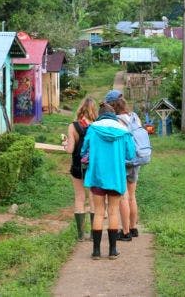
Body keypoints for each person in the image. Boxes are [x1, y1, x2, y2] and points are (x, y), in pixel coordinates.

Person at [81, 103, 135, 259]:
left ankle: (96, 251)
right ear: (113, 115)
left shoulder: (93, 129)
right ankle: (112, 251)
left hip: (97, 176)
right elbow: (130, 154)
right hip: (116, 177)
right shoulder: (123, 131)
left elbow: (84, 150)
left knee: (98, 213)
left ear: (100, 114)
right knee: (113, 212)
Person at [105, 89, 141, 241]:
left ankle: (125, 232)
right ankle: (133, 228)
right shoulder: (134, 117)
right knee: (132, 196)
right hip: (136, 159)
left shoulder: (116, 121)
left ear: (112, 105)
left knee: (123, 197)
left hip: (123, 161)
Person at [62, 96, 98, 241]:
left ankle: (81, 235)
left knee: (79, 197)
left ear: (80, 108)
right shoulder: (97, 126)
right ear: (93, 109)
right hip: (93, 166)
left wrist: (65, 145)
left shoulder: (73, 126)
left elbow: (70, 150)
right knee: (93, 198)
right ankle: (95, 234)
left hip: (77, 166)